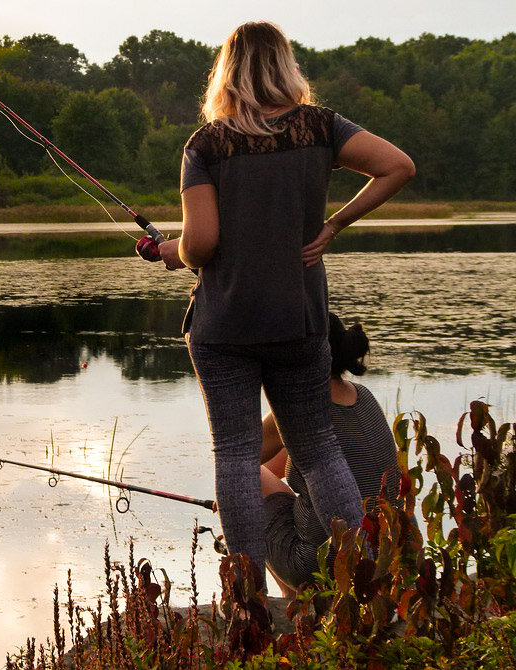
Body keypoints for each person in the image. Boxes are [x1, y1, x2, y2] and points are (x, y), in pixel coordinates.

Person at [141, 21, 415, 583]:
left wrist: (172, 251)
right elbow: (398, 166)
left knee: (236, 456)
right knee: (317, 450)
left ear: (227, 72)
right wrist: (335, 224)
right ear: (285, 66)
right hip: (300, 319)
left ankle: (246, 598)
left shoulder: (206, 144)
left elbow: (202, 244)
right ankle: (360, 580)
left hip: (225, 325)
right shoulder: (321, 127)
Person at [261, 314, 401, 596]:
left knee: (240, 478)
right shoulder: (364, 396)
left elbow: (239, 458)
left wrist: (233, 505)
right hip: (384, 556)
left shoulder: (298, 407)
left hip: (319, 565)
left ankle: (291, 596)